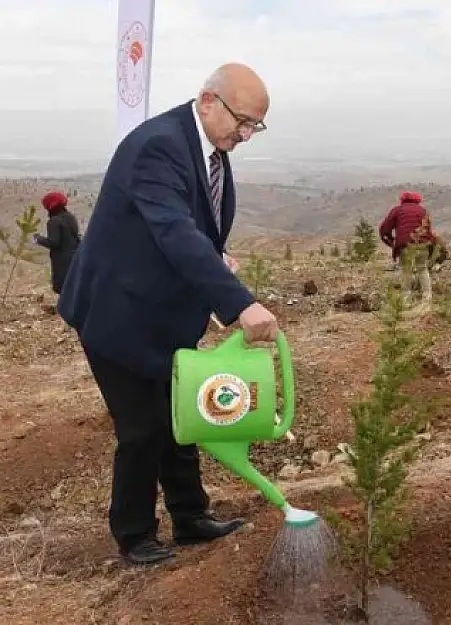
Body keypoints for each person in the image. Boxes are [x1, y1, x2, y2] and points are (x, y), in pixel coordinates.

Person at [57, 63, 280, 566]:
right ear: (207, 100)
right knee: (142, 428)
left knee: (180, 416)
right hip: (118, 313)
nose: (246, 135)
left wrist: (216, 257)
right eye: (242, 121)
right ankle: (134, 535)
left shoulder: (208, 149)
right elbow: (174, 231)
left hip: (162, 313)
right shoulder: (157, 145)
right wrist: (239, 302)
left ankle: (190, 517)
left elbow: (187, 227)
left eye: (255, 127)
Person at [379, 191, 435, 302]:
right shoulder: (423, 211)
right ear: (418, 200)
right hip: (422, 245)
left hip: (405, 245)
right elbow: (428, 231)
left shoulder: (397, 210)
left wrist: (391, 241)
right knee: (422, 269)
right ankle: (427, 296)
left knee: (406, 270)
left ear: (402, 200)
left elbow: (385, 228)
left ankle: (406, 297)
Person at [33, 190, 81, 295]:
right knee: (73, 287)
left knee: (63, 288)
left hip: (61, 261)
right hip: (75, 257)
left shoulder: (54, 221)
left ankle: (64, 310)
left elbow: (54, 243)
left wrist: (38, 239)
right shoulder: (70, 217)